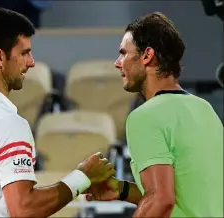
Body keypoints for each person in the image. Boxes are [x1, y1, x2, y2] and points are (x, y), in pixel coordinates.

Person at [0, 7, 116, 217]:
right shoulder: (8, 124)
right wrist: (82, 177)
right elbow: (24, 208)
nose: (31, 62)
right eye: (24, 53)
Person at [85, 12, 223, 217]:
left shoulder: (145, 117)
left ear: (147, 56)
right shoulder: (205, 109)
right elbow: (184, 196)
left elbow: (161, 200)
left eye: (124, 53)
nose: (117, 62)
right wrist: (122, 190)